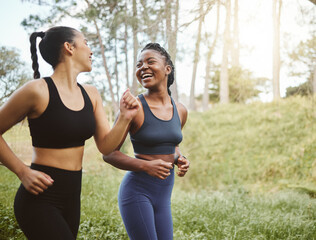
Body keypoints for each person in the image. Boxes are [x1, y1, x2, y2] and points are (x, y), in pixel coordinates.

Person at [0, 26, 139, 240]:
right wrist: (22, 171)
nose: (91, 50)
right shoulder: (37, 90)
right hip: (40, 197)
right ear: (69, 47)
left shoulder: (91, 94)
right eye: (86, 42)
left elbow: (105, 146)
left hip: (72, 196)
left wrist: (125, 117)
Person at [103, 43, 190, 240]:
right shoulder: (134, 108)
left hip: (164, 195)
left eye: (150, 62)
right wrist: (146, 166)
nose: (143, 67)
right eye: (139, 64)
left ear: (167, 69)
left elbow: (171, 145)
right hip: (137, 192)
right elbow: (109, 154)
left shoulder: (181, 110)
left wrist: (180, 158)